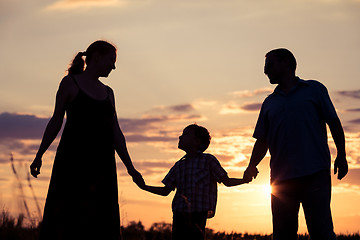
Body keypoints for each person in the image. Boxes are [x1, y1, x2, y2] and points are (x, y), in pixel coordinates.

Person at [30, 40, 144, 240]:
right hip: (72, 161)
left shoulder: (109, 93)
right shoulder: (70, 83)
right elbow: (56, 120)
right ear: (97, 57)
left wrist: (131, 168)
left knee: (100, 222)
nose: (114, 66)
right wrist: (39, 155)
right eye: (111, 60)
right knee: (68, 217)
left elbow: (116, 132)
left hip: (102, 165)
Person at [243, 48, 348, 240]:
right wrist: (252, 165)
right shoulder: (269, 103)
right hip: (281, 180)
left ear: (286, 62)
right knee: (283, 234)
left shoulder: (315, 90)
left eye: (269, 65)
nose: (265, 71)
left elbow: (333, 121)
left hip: (315, 173)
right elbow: (262, 139)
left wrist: (341, 155)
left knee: (321, 231)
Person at [140, 124, 250, 240]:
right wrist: (144, 186)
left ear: (197, 141)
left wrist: (244, 180)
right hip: (179, 214)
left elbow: (226, 181)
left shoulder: (208, 160)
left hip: (199, 213)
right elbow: (165, 190)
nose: (180, 137)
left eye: (186, 134)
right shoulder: (179, 165)